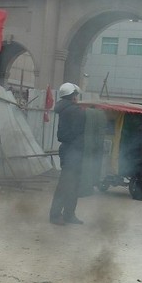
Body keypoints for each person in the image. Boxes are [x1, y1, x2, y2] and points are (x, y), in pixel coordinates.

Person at [49, 82, 86, 225]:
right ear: (72, 96)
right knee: (67, 184)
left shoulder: (65, 109)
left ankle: (67, 214)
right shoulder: (75, 111)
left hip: (69, 150)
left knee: (70, 184)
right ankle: (58, 215)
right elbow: (78, 130)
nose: (77, 97)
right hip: (73, 151)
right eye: (75, 95)